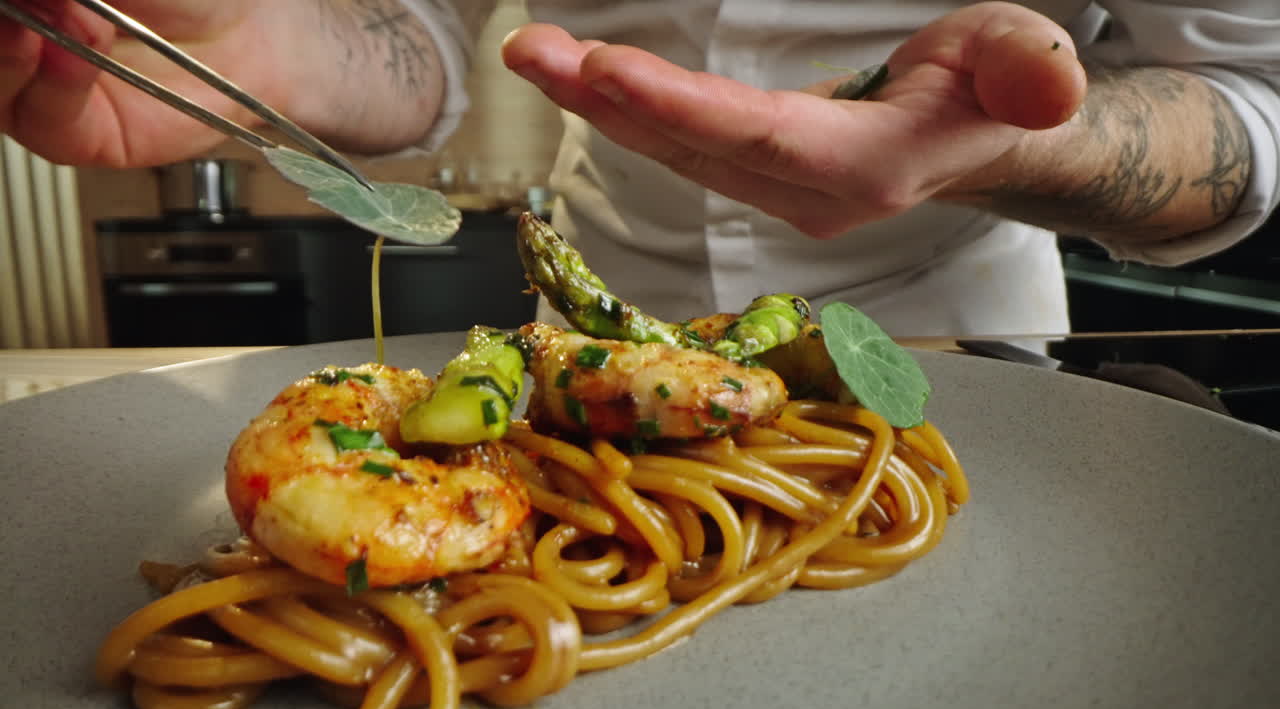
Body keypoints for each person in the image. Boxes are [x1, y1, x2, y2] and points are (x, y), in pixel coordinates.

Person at [3, 1, 1278, 337]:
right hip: (587, 338)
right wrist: (274, 55)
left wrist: (1013, 150)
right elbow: (442, 43)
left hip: (947, 345)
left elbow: (1246, 105)